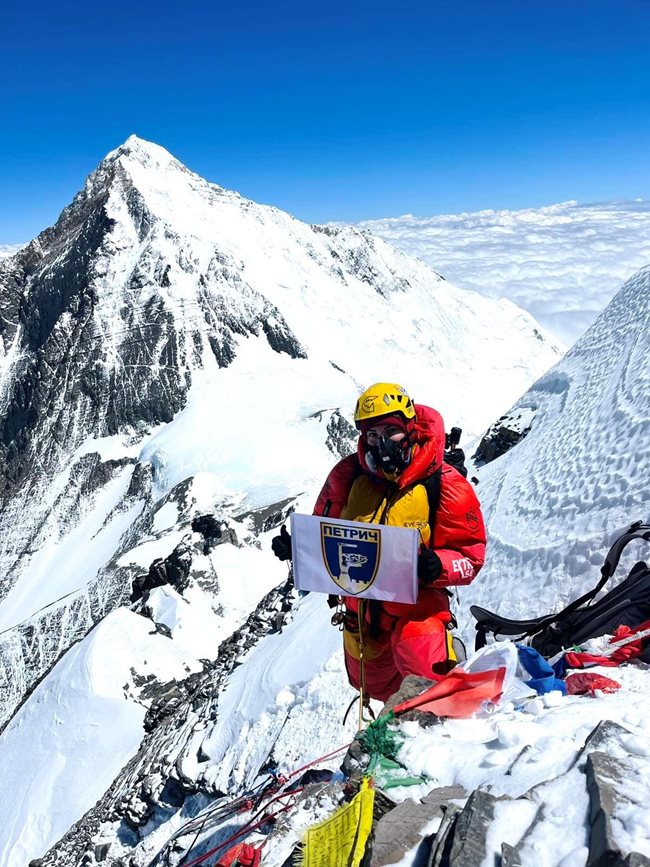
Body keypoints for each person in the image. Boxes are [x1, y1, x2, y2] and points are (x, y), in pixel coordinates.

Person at [272, 382, 486, 702]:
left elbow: (470, 556)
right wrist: (298, 549)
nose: (382, 442)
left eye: (391, 430)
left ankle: (444, 692)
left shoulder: (443, 483)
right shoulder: (348, 477)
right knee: (373, 687)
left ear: (410, 427)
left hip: (416, 608)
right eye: (372, 435)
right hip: (361, 611)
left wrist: (437, 565)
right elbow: (324, 531)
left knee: (428, 688)